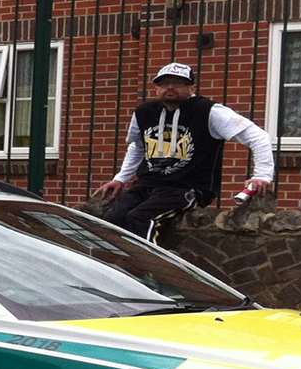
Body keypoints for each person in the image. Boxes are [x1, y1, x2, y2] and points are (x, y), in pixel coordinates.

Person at [95, 62, 275, 241]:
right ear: (156, 87)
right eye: (164, 83)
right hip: (147, 184)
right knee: (112, 219)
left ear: (191, 87)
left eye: (178, 83)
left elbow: (258, 137)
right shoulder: (144, 112)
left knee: (141, 218)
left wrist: (262, 176)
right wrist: (120, 179)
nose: (170, 87)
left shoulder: (208, 111)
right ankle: (116, 265)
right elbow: (138, 147)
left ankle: (147, 266)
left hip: (186, 188)